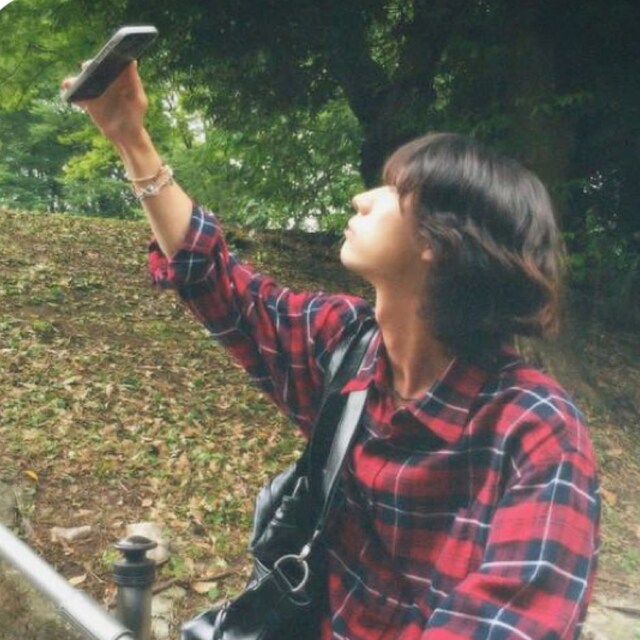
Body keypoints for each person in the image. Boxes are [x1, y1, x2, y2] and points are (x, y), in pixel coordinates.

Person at [62, 62, 600, 639]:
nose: (362, 198)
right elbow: (218, 283)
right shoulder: (347, 349)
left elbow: (514, 623)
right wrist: (130, 137)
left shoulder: (536, 431)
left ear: (442, 241)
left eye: (394, 190)